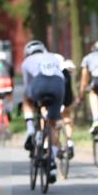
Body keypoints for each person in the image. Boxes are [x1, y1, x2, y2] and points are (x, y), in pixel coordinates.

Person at [21, 40, 64, 183]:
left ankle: (30, 129)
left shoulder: (27, 61)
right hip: (59, 85)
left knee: (26, 98)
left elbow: (28, 85)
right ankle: (51, 162)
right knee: (52, 123)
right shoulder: (54, 57)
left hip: (39, 83)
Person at [58, 55, 76, 158]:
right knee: (67, 115)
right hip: (67, 94)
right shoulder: (65, 65)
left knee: (50, 118)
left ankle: (50, 144)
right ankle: (69, 142)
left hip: (54, 91)